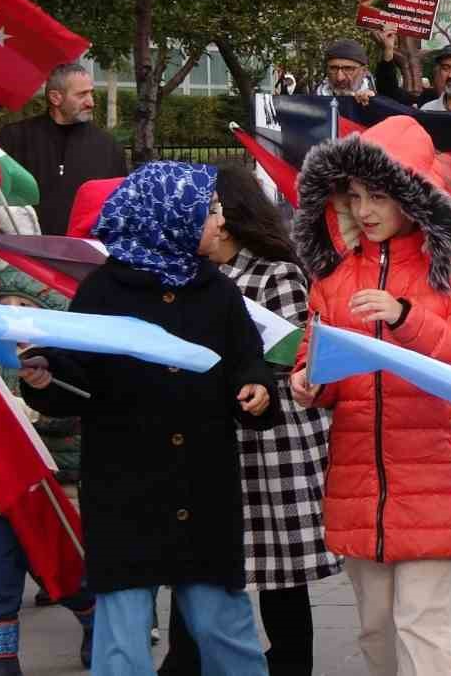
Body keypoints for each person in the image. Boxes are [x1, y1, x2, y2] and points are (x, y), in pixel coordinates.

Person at [16, 161, 276, 673]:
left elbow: (250, 360)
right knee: (123, 641)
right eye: (210, 212)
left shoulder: (219, 292)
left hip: (202, 489)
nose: (220, 223)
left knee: (226, 631)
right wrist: (46, 376)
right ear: (169, 219)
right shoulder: (103, 292)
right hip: (125, 493)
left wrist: (257, 388)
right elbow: (76, 373)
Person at [287, 116, 451, 676]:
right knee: (375, 628)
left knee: (422, 629)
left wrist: (406, 317)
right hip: (360, 478)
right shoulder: (332, 276)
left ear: (413, 195)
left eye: (379, 195)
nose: (365, 210)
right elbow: (316, 360)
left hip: (433, 474)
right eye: (354, 196)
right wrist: (308, 384)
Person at [158, 166, 339, 676]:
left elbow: (293, 351)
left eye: (211, 209)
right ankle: (184, 662)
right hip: (213, 434)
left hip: (273, 438)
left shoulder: (275, 271)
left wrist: (233, 352)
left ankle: (290, 663)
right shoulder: (186, 277)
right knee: (201, 562)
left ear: (230, 215)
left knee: (280, 570)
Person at [0, 269, 94, 674]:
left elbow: (76, 411)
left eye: (24, 305)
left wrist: (35, 409)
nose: (12, 314)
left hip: (53, 485)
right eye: (2, 307)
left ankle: (92, 623)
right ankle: (0, 658)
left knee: (64, 569)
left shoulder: (64, 357)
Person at [0, 64, 128, 236]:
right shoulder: (13, 138)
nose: (91, 102)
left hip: (83, 256)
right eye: (81, 95)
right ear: (55, 98)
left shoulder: (109, 147)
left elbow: (119, 209)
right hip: (24, 251)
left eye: (91, 93)